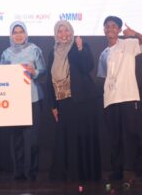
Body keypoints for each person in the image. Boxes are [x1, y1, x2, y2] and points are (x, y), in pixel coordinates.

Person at [45, 20, 101, 182]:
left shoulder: (79, 46)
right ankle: (69, 174)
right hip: (63, 101)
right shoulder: (52, 53)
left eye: (66, 30)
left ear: (71, 31)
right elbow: (49, 80)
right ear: (56, 34)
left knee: (82, 136)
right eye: (60, 31)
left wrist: (81, 49)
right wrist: (53, 105)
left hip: (83, 100)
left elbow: (87, 67)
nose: (64, 34)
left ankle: (85, 174)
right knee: (67, 138)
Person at [97, 15, 142, 182]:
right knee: (114, 138)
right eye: (107, 26)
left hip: (128, 96)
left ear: (119, 30)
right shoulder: (103, 54)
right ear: (104, 30)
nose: (110, 28)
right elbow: (104, 77)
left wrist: (134, 33)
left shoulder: (128, 44)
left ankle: (139, 170)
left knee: (132, 134)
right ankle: (117, 171)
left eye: (113, 26)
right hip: (110, 99)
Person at [0, 21, 45, 181]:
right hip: (14, 100)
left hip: (33, 98)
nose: (18, 35)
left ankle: (31, 171)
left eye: (21, 32)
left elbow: (43, 71)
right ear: (11, 35)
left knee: (32, 139)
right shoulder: (6, 53)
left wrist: (35, 72)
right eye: (15, 32)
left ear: (26, 33)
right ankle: (18, 172)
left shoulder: (35, 50)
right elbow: (1, 76)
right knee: (16, 138)